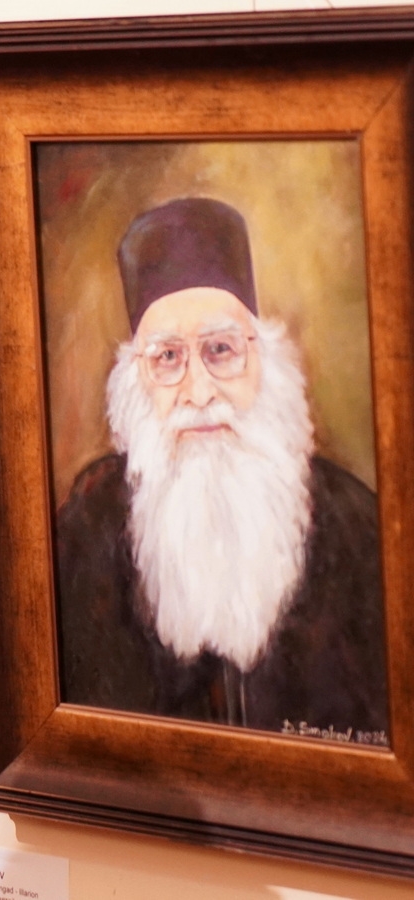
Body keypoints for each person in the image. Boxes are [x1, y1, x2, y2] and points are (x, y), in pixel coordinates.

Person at [54, 196, 387, 742]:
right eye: (167, 357)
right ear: (135, 380)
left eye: (221, 350)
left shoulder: (356, 524)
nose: (199, 391)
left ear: (266, 361)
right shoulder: (89, 525)